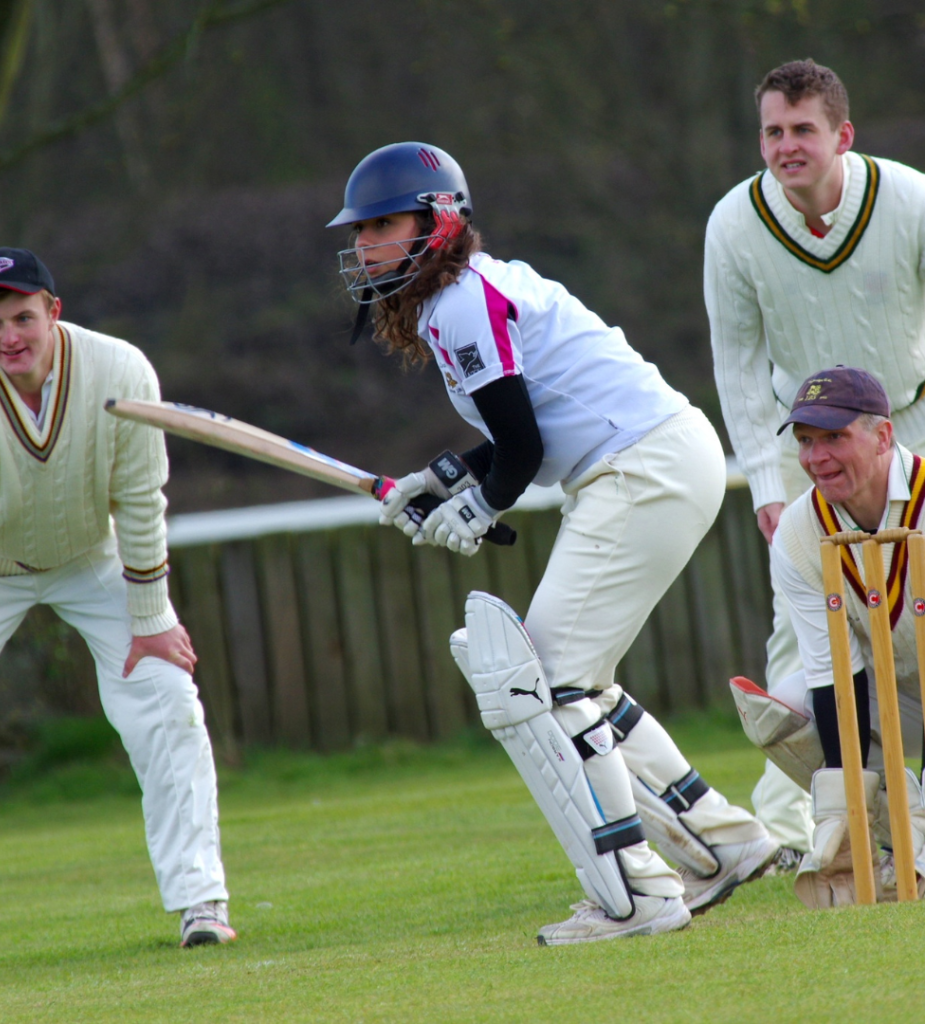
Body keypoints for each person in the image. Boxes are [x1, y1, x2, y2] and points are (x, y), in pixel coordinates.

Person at [326, 142, 777, 945]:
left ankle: (638, 893)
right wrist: (442, 481)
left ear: (439, 221)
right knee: (580, 683)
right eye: (360, 231)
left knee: (552, 683)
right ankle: (722, 844)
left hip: (642, 466)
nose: (365, 246)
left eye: (382, 226)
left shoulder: (464, 299)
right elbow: (510, 439)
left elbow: (522, 453)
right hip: (654, 459)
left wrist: (474, 507)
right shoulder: (462, 296)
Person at [0, 249, 234, 981]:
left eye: (23, 317)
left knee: (169, 701)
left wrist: (151, 615)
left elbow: (143, 498)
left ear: (54, 311)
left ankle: (201, 903)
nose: (9, 336)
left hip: (92, 556)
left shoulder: (122, 371)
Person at [704, 59, 925, 864]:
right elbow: (736, 363)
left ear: (843, 135)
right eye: (773, 131)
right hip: (806, 443)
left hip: (911, 421)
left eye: (803, 130)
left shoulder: (909, 199)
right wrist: (769, 481)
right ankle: (814, 830)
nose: (787, 146)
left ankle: (911, 814)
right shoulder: (733, 223)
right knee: (803, 635)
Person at [740, 366, 925, 906]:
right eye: (805, 441)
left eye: (835, 438)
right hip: (902, 702)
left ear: (883, 436)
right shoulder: (799, 532)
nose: (815, 458)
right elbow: (833, 676)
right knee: (787, 707)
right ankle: (890, 840)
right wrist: (840, 808)